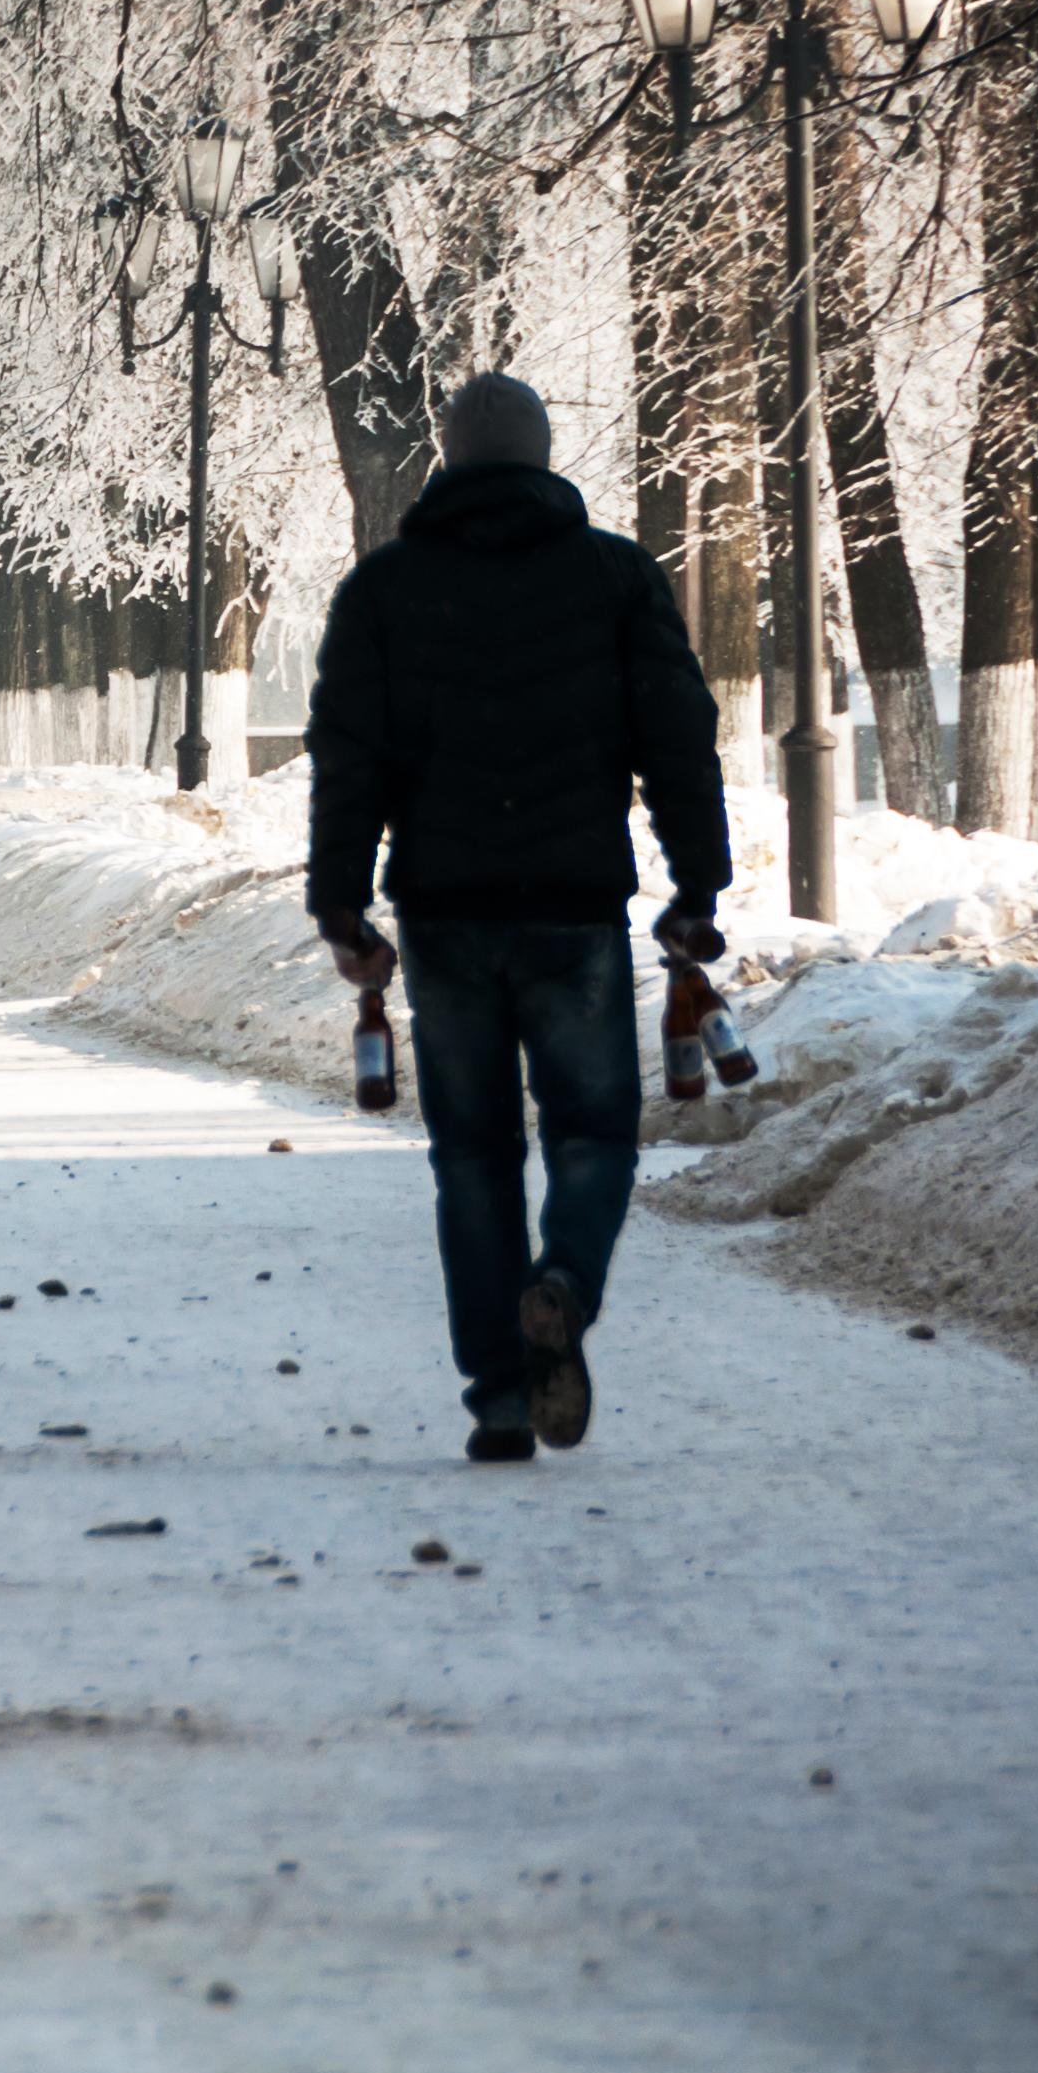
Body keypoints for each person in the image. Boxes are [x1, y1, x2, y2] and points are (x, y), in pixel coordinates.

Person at [305, 372, 731, 1465]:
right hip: (570, 905)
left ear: (448, 459)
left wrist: (341, 900)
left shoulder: (386, 589)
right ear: (542, 457)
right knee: (592, 1131)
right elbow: (675, 735)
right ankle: (563, 1284)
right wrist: (697, 881)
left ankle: (499, 1393)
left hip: (443, 910)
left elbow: (349, 755)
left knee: (472, 1152)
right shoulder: (612, 577)